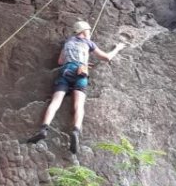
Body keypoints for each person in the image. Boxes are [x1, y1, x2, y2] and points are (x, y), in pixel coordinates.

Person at [27, 20, 125, 153]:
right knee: (79, 105)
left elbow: (60, 61)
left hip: (66, 70)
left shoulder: (68, 42)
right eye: (89, 31)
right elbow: (106, 57)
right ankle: (75, 131)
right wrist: (117, 48)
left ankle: (44, 129)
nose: (90, 33)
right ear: (84, 31)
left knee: (55, 102)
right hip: (81, 72)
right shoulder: (89, 43)